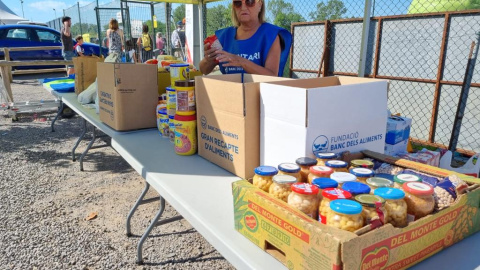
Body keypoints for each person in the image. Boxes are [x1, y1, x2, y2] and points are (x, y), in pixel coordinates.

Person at [199, 0, 292, 77]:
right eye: (238, 3)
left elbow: (272, 76)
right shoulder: (224, 36)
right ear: (234, 7)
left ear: (260, 4)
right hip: (230, 93)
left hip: (259, 96)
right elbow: (204, 70)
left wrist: (241, 61)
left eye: (250, 2)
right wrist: (208, 60)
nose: (243, 7)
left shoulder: (270, 35)